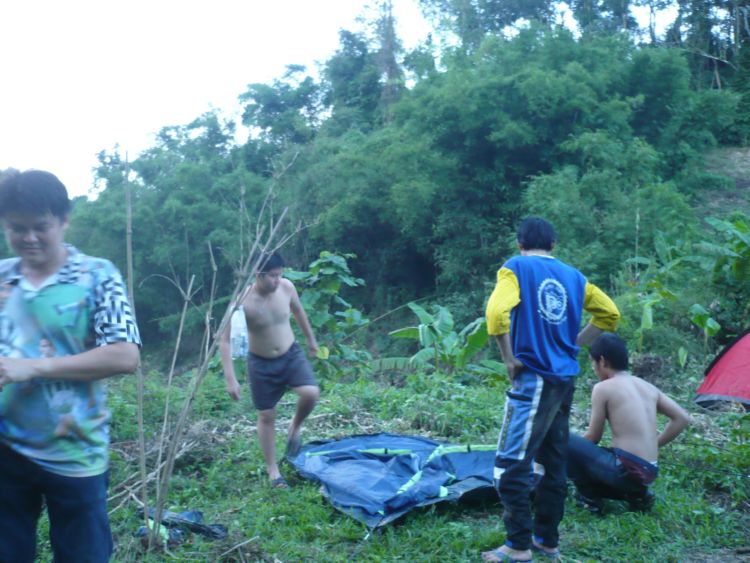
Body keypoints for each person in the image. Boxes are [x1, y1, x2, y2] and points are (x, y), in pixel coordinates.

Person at [0, 169, 141, 562]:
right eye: (17, 228)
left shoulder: (97, 275)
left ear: (64, 220)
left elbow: (125, 355)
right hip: (6, 451)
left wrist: (32, 367)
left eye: (40, 227)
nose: (29, 238)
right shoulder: (2, 277)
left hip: (75, 452)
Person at [482, 217, 620, 562]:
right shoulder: (575, 277)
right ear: (554, 245)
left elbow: (496, 313)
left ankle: (517, 546)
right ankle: (547, 540)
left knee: (511, 463)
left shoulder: (514, 269)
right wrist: (572, 345)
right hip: (564, 381)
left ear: (520, 244)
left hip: (534, 379)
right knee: (553, 461)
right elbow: (609, 314)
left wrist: (509, 358)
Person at [219, 251, 320, 488]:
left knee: (311, 393)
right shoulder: (242, 302)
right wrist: (230, 379)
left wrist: (311, 340)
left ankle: (294, 427)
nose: (277, 280)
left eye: (279, 274)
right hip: (261, 363)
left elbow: (298, 311)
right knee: (266, 416)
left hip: (290, 354)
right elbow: (224, 340)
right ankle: (273, 471)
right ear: (259, 274)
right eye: (272, 276)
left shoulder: (286, 287)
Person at [567, 332, 690, 514]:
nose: (593, 368)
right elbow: (683, 418)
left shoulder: (603, 388)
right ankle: (637, 495)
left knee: (561, 438)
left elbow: (593, 437)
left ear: (602, 361)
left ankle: (589, 498)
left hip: (624, 471)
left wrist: (571, 453)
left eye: (593, 363)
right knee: (590, 454)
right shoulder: (647, 387)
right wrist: (654, 445)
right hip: (648, 472)